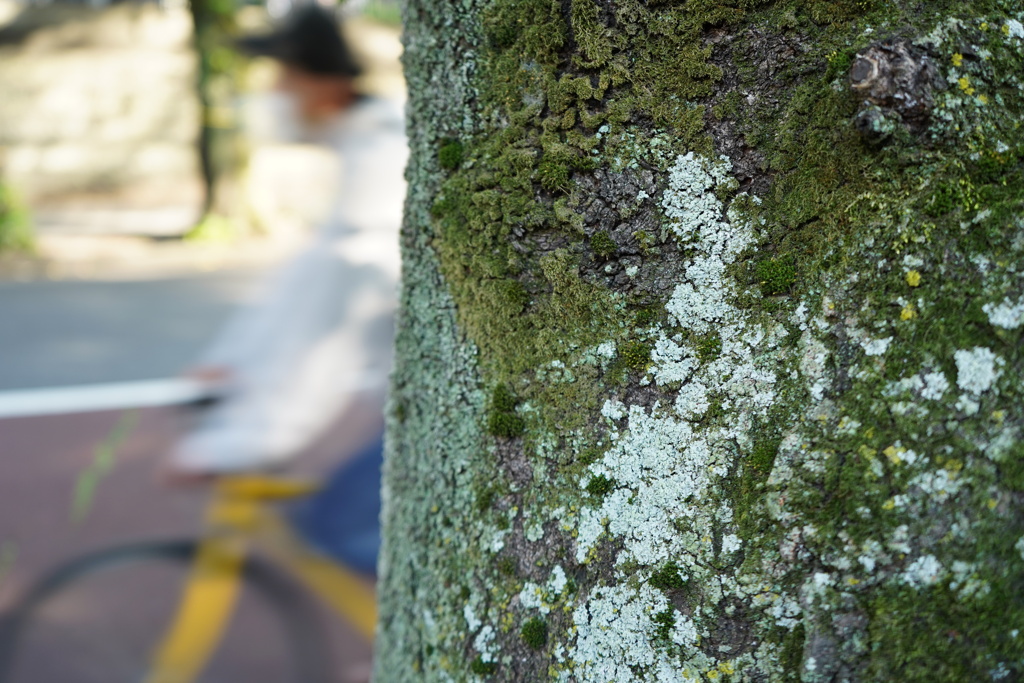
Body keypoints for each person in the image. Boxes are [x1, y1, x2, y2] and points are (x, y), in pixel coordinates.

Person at [165, 4, 407, 578]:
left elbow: (319, 349)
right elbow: (299, 292)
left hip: (431, 409)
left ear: (324, 83)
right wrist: (227, 365)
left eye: (284, 78)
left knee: (338, 527)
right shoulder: (367, 148)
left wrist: (230, 446)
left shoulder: (377, 173)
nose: (275, 93)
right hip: (408, 398)